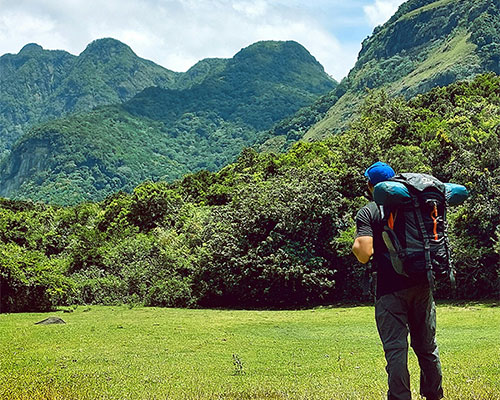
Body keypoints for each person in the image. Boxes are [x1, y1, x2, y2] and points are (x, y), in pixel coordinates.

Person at [352, 161, 444, 400]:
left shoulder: (369, 210)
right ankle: (434, 395)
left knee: (396, 350)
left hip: (390, 290)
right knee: (427, 348)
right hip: (422, 285)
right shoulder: (414, 205)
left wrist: (355, 246)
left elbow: (364, 253)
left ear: (371, 186)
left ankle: (400, 397)